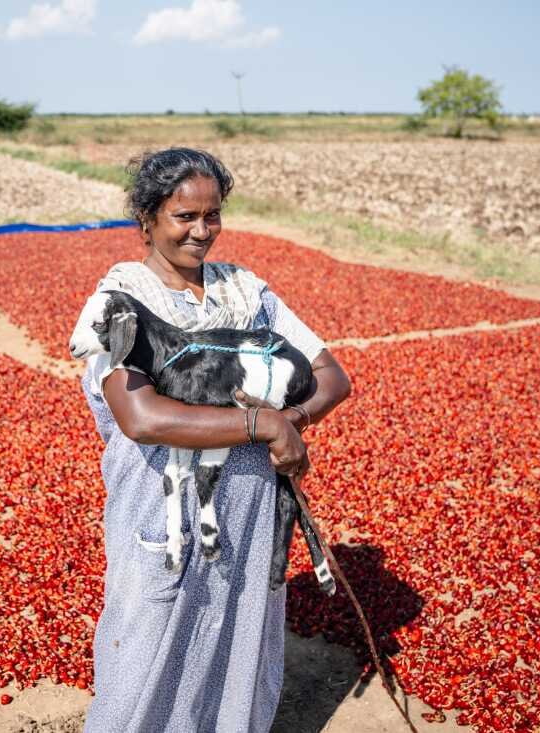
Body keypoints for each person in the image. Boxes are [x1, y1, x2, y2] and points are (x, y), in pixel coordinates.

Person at [77, 147, 351, 732]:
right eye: (184, 217)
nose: (202, 232)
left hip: (250, 505)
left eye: (213, 216)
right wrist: (262, 424)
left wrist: (291, 421)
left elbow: (332, 377)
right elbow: (142, 417)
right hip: (162, 506)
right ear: (146, 218)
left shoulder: (247, 294)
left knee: (236, 632)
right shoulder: (120, 302)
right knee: (150, 637)